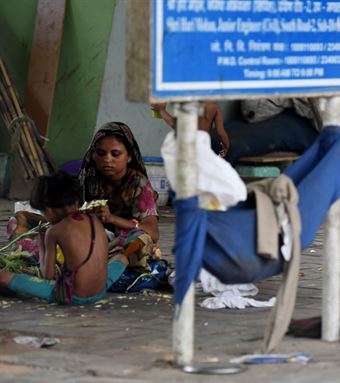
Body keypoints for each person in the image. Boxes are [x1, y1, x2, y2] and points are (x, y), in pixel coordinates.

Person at [0, 172, 127, 304]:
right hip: (100, 292)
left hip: (72, 296)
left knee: (3, 277)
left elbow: (47, 276)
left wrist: (42, 242)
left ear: (48, 210)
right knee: (121, 258)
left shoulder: (54, 231)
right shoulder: (94, 219)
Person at [78, 122, 160, 269]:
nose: (107, 159)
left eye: (115, 154)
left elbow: (153, 233)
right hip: (94, 237)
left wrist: (111, 219)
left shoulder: (138, 184)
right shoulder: (88, 179)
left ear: (129, 156)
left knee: (140, 241)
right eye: (101, 153)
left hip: (123, 241)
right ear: (93, 155)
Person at [151, 101, 229, 157]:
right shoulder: (214, 106)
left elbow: (176, 125)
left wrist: (162, 111)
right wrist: (226, 146)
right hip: (204, 146)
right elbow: (221, 133)